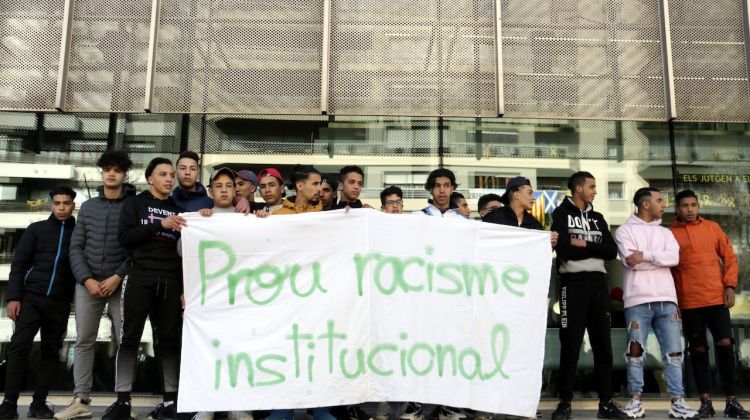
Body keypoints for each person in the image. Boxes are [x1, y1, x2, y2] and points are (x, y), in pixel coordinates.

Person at [103, 158, 186, 420]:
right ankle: (123, 401)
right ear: (150, 178)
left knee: (169, 342)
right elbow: (125, 238)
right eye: (163, 174)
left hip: (170, 280)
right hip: (139, 276)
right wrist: (158, 225)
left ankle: (170, 401)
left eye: (171, 175)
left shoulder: (178, 208)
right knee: (129, 339)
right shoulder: (135, 203)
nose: (169, 179)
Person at [55, 152, 135, 420]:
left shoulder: (133, 206)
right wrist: (87, 279)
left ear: (124, 174)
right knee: (84, 341)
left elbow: (137, 248)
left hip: (120, 284)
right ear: (101, 173)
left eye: (117, 170)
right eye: (107, 169)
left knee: (125, 342)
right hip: (87, 284)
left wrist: (117, 277)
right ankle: (81, 399)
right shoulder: (88, 207)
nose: (111, 174)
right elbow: (75, 247)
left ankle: (124, 401)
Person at [615, 187, 698, 419]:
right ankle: (635, 401)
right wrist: (653, 258)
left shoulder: (666, 232)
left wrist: (646, 255)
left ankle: (677, 402)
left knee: (674, 354)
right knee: (634, 354)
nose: (664, 205)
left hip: (667, 300)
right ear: (645, 204)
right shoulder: (624, 231)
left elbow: (674, 258)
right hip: (637, 300)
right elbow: (633, 262)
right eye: (659, 200)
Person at [550, 171, 625, 420]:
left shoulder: (598, 217)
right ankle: (565, 402)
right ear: (578, 188)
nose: (595, 190)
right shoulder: (560, 214)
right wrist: (592, 249)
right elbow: (564, 250)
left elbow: (611, 250)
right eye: (592, 186)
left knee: (603, 345)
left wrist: (584, 244)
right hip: (571, 285)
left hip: (598, 284)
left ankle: (606, 403)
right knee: (570, 345)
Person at [669, 190, 750, 419]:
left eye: (693, 204)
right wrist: (674, 301)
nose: (690, 209)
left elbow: (730, 258)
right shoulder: (670, 234)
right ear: (678, 208)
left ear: (698, 206)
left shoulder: (712, 227)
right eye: (684, 205)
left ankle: (732, 400)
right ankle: (705, 401)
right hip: (689, 301)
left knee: (725, 344)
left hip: (716, 297)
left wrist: (730, 286)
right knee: (698, 350)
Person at [0, 187, 77, 420]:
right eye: (57, 203)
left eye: (66, 203)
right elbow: (19, 264)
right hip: (31, 298)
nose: (61, 208)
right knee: (19, 348)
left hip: (60, 302)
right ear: (51, 205)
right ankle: (9, 404)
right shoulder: (36, 230)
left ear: (73, 205)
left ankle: (39, 404)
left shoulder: (79, 233)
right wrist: (13, 297)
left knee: (50, 353)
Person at [482, 177, 558, 247]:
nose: (534, 197)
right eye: (529, 193)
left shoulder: (535, 224)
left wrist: (550, 245)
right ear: (516, 195)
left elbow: (538, 253)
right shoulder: (493, 218)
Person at [170, 150, 249, 213]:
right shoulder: (168, 202)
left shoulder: (210, 202)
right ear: (175, 172)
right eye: (183, 168)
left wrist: (242, 200)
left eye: (192, 169)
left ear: (198, 173)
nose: (187, 172)